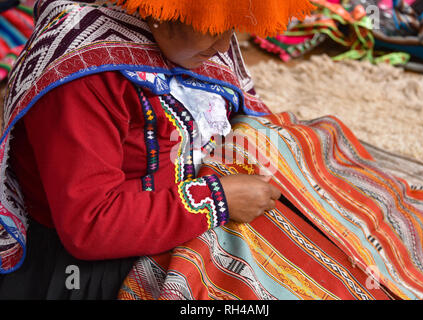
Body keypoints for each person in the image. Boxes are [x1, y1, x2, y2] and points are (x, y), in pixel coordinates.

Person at [0, 0, 314, 299]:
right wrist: (218, 199)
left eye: (232, 28)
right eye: (215, 29)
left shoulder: (197, 34)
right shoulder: (84, 80)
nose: (223, 46)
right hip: (95, 263)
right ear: (162, 9)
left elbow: (242, 110)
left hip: (179, 209)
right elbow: (91, 227)